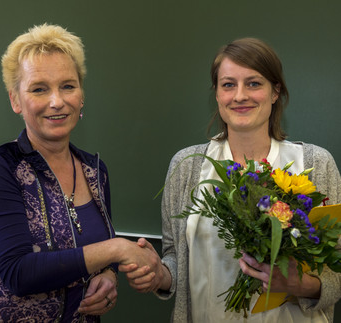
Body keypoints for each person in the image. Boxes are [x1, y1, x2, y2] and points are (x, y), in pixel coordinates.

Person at [121, 38, 341, 322]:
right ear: (217, 94)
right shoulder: (187, 167)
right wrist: (158, 274)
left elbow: (337, 263)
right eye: (228, 85)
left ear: (275, 92)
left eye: (253, 83)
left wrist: (303, 285)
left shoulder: (316, 164)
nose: (239, 96)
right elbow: (176, 259)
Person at [0, 23, 156, 322]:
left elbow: (95, 250)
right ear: (15, 100)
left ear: (81, 95)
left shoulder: (95, 171)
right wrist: (117, 250)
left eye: (68, 86)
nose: (57, 101)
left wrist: (108, 275)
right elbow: (18, 273)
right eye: (39, 89)